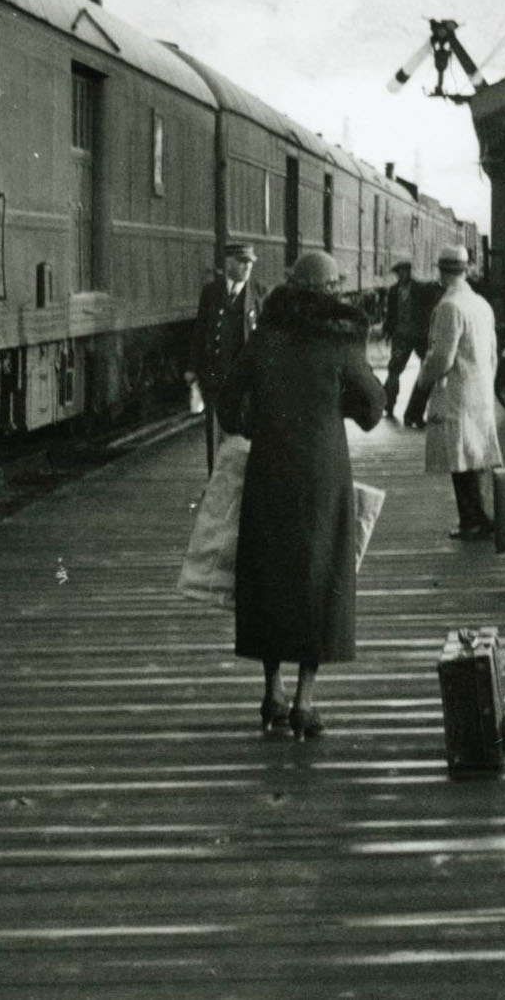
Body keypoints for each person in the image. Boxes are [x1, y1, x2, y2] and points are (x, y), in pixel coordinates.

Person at [215, 250, 383, 739]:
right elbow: (372, 409)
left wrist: (258, 425)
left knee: (269, 578)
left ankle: (272, 690)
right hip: (321, 479)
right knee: (318, 582)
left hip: (269, 472)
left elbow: (228, 402)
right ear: (331, 292)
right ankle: (306, 700)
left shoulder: (265, 339)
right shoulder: (340, 344)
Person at [413, 244, 505, 538]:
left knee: (461, 458)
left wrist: (423, 382)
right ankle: (483, 517)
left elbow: (442, 358)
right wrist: (487, 382)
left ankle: (472, 521)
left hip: (457, 391)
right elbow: (493, 353)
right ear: (465, 271)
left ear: (441, 272)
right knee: (477, 455)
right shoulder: (480, 304)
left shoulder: (449, 306)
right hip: (479, 388)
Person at [185, 242, 267, 469]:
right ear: (228, 263)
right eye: (242, 263)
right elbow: (200, 331)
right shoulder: (211, 292)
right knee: (214, 439)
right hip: (214, 379)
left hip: (245, 382)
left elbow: (264, 340)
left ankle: (243, 490)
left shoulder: (259, 292)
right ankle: (214, 488)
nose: (247, 267)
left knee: (243, 437)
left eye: (250, 263)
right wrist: (192, 368)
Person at [381, 259, 440, 428]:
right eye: (399, 272)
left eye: (405, 271)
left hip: (419, 336)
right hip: (400, 337)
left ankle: (415, 411)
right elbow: (390, 314)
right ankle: (389, 405)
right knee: (394, 371)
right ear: (397, 274)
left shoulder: (420, 288)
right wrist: (387, 330)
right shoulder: (393, 291)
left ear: (409, 272)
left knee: (425, 370)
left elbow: (432, 289)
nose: (402, 274)